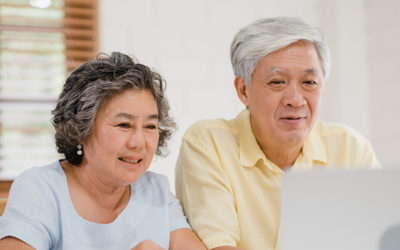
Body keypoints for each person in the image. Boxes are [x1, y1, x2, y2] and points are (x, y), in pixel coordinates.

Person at [175, 16, 380, 250]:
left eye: (309, 82)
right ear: (243, 90)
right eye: (277, 82)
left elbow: (377, 238)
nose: (295, 99)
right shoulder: (208, 143)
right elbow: (219, 245)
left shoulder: (350, 148)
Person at [0, 52, 206, 250]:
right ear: (81, 128)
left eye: (150, 126)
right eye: (124, 125)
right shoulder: (41, 189)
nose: (139, 142)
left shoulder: (156, 191)